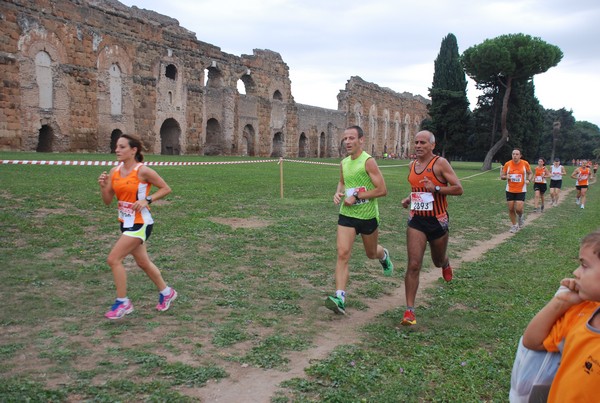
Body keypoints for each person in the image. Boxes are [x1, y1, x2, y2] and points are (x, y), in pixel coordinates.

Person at [98, 134, 177, 319]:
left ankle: (123, 302)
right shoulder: (114, 172)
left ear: (134, 150)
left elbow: (166, 188)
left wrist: (147, 199)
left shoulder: (143, 171)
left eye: (122, 147)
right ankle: (167, 293)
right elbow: (107, 201)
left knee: (113, 259)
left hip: (141, 223)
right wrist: (103, 187)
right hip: (125, 223)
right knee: (143, 262)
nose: (117, 150)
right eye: (117, 147)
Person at [521, 229, 600, 402]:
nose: (576, 272)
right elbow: (532, 341)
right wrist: (562, 302)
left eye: (585, 265)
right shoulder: (584, 310)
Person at [325, 125, 393, 315]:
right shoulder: (344, 163)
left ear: (361, 140)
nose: (347, 142)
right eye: (345, 138)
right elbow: (343, 181)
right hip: (347, 215)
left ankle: (384, 255)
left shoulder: (368, 162)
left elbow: (382, 190)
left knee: (371, 253)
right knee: (342, 253)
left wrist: (357, 197)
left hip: (367, 216)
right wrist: (338, 192)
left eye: (351, 138)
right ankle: (340, 298)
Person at [399, 130, 463, 326]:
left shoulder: (440, 164)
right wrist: (409, 198)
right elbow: (417, 189)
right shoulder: (412, 165)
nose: (418, 145)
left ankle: (445, 263)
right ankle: (409, 310)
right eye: (416, 142)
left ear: (432, 145)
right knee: (414, 264)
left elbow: (458, 188)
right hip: (417, 220)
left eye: (423, 143)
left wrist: (435, 188)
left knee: (436, 260)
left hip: (437, 220)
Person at [500, 149, 533, 233]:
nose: (515, 156)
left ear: (520, 155)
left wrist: (529, 180)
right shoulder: (507, 164)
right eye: (513, 154)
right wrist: (506, 177)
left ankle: (521, 216)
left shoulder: (525, 163)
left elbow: (530, 173)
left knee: (518, 209)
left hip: (521, 189)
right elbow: (502, 176)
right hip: (510, 189)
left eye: (517, 154)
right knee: (511, 208)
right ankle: (514, 225)